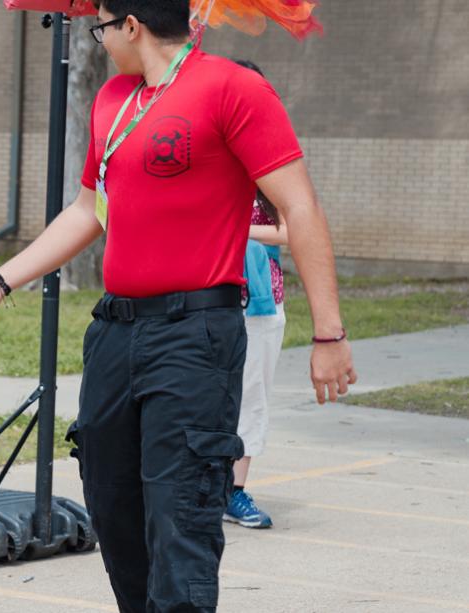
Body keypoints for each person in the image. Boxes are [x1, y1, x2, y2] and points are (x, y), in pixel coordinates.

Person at [0, 1, 356, 611]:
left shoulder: (234, 89)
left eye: (101, 26)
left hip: (196, 333)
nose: (97, 38)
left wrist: (328, 334)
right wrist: (0, 280)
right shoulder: (113, 101)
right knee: (111, 499)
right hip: (116, 332)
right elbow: (87, 211)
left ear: (131, 25)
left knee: (180, 508)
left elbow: (302, 209)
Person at [224, 59, 289, 530]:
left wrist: (242, 228)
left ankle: (236, 491)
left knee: (252, 396)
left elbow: (291, 230)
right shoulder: (206, 160)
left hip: (262, 303)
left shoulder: (272, 166)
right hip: (208, 296)